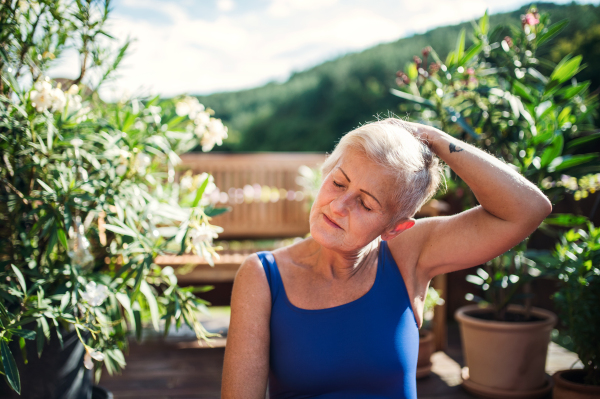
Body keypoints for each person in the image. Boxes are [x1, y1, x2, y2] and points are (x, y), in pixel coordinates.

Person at [221, 118, 552, 398]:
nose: (338, 206)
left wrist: (433, 137)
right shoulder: (262, 276)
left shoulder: (409, 253)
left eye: (365, 204)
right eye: (338, 182)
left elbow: (527, 210)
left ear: (395, 227)